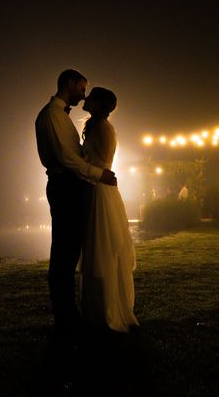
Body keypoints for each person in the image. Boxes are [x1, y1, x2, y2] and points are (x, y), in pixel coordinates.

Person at [35, 69, 117, 344]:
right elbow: (66, 159)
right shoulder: (51, 116)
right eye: (82, 89)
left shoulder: (61, 116)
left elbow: (76, 155)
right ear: (70, 84)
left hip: (71, 187)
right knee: (64, 255)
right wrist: (98, 174)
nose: (84, 96)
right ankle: (65, 318)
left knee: (69, 253)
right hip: (64, 187)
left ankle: (70, 315)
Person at [79, 87, 139, 333]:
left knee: (102, 248)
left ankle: (107, 311)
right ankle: (96, 310)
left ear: (99, 103)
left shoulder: (103, 128)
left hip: (101, 190)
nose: (86, 98)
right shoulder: (96, 126)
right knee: (96, 248)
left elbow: (100, 162)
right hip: (97, 187)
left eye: (91, 96)